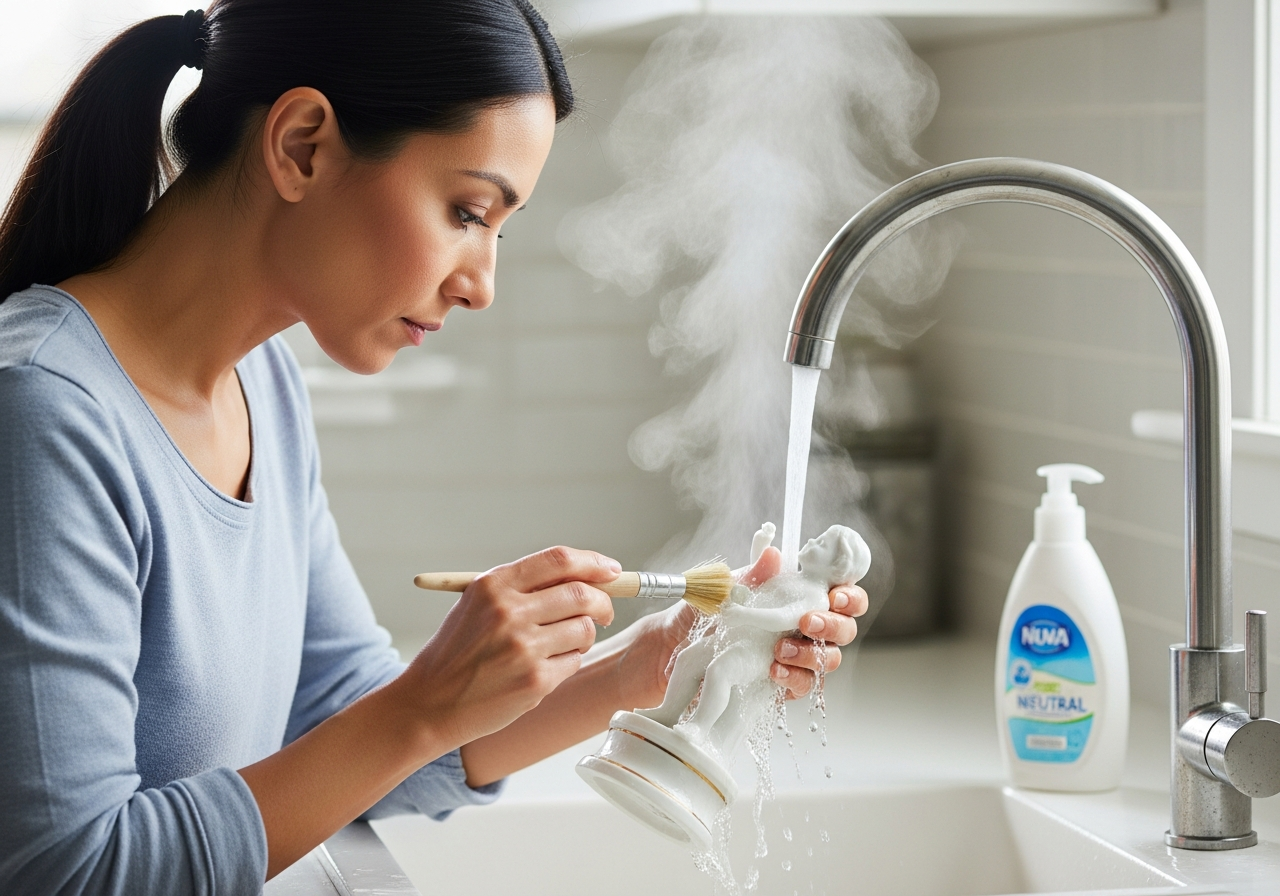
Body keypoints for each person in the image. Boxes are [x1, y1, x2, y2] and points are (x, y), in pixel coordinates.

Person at [0, 2, 868, 892]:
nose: (480, 283)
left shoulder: (262, 389)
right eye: (467, 209)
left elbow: (341, 731)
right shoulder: (42, 412)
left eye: (498, 226)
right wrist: (422, 706)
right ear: (303, 145)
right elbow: (68, 874)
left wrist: (647, 668)